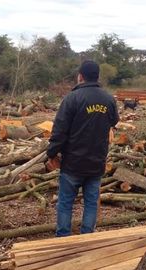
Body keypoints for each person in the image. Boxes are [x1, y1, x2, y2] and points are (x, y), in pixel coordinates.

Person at [47, 60, 119, 237]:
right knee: (91, 202)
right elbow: (114, 121)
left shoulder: (72, 99)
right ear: (98, 76)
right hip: (96, 162)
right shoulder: (108, 99)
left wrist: (52, 152)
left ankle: (63, 238)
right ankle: (87, 237)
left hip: (73, 163)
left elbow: (60, 130)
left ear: (80, 76)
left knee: (65, 202)